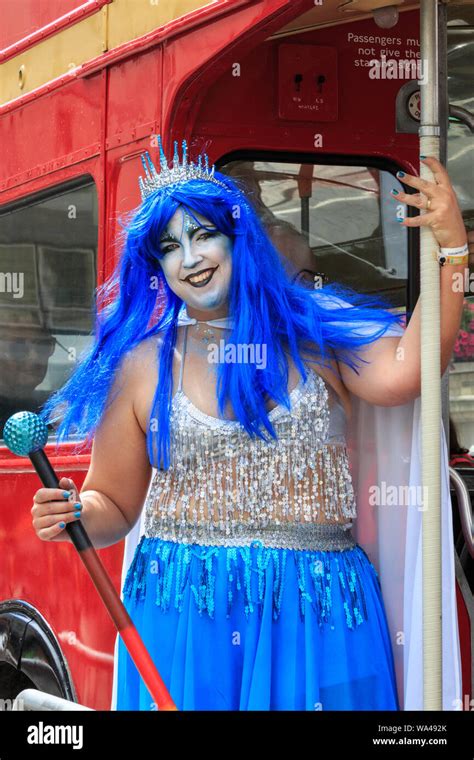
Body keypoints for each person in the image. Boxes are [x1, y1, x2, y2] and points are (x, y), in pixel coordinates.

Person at [30, 137, 467, 711]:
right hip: (188, 611)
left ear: (240, 240)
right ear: (156, 265)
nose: (190, 258)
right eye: (169, 246)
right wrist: (75, 514)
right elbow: (112, 503)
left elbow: (409, 372)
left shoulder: (315, 335)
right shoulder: (140, 365)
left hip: (316, 608)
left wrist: (454, 252)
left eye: (203, 234)